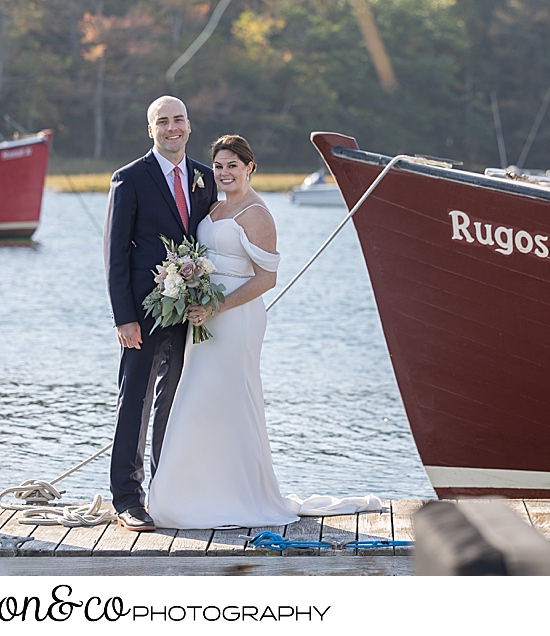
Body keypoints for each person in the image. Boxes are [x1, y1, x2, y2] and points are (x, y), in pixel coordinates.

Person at [147, 135, 381, 528]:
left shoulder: (257, 213)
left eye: (232, 166)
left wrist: (215, 307)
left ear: (249, 167)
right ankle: (188, 493)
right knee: (196, 401)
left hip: (236, 320)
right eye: (219, 166)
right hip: (203, 319)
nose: (224, 173)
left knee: (228, 401)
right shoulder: (216, 208)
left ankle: (238, 495)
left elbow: (267, 279)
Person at [103, 96, 218, 531]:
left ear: (189, 126)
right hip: (143, 311)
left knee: (178, 400)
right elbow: (114, 253)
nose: (172, 128)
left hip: (192, 312)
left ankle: (166, 489)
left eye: (179, 120)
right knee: (136, 399)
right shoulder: (129, 179)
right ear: (150, 130)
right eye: (162, 122)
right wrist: (123, 317)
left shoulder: (206, 179)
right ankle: (127, 499)